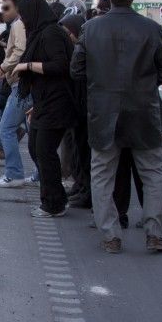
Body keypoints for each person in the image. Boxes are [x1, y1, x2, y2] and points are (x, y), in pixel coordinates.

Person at [70, 0, 162, 253]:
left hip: (103, 114)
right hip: (143, 112)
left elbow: (76, 70)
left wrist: (101, 84)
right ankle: (155, 234)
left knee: (102, 176)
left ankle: (110, 236)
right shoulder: (151, 29)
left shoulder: (91, 29)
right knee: (152, 174)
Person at [11, 0, 76, 219]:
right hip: (45, 101)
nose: (22, 20)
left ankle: (53, 204)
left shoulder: (51, 34)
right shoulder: (40, 34)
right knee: (36, 148)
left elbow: (60, 65)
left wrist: (27, 66)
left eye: (24, 15)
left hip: (57, 101)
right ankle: (56, 197)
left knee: (44, 151)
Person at [0, 0, 37, 185]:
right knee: (33, 133)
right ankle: (40, 175)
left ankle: (14, 174)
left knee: (6, 128)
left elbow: (19, 51)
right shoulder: (29, 23)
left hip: (21, 84)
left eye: (6, 7)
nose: (3, 11)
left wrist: (2, 69)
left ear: (18, 7)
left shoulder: (19, 24)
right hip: (31, 83)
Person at [58, 13, 91, 209]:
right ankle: (80, 185)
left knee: (84, 151)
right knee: (77, 151)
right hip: (76, 107)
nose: (67, 36)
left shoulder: (83, 50)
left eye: (68, 32)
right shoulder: (74, 49)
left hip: (84, 108)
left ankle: (86, 191)